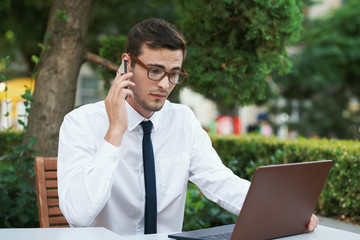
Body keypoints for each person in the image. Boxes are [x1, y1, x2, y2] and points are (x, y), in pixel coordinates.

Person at [57, 18, 319, 236]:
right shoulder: (81, 123)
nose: (164, 84)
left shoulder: (183, 120)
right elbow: (78, 215)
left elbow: (220, 181)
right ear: (127, 63)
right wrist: (115, 132)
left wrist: (284, 210)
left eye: (174, 73)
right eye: (155, 71)